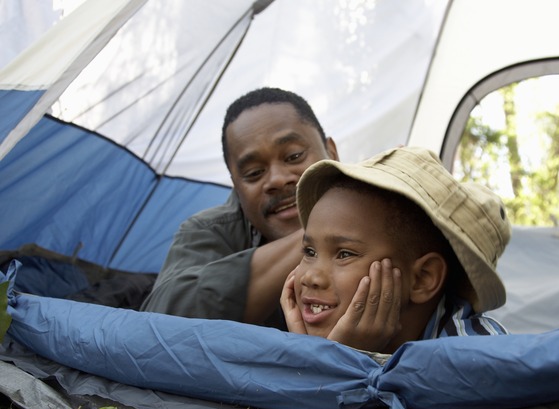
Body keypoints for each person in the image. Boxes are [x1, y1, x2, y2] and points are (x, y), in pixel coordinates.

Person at [280, 146, 511, 353]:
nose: (310, 277)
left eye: (344, 254)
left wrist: (337, 361)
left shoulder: (477, 358)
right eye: (309, 252)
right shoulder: (296, 337)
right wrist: (309, 354)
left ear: (422, 278)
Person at [140, 88, 338, 328]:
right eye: (254, 173)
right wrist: (327, 231)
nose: (276, 179)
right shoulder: (208, 231)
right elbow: (160, 323)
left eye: (294, 156)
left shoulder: (384, 208)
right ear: (236, 186)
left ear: (332, 153)